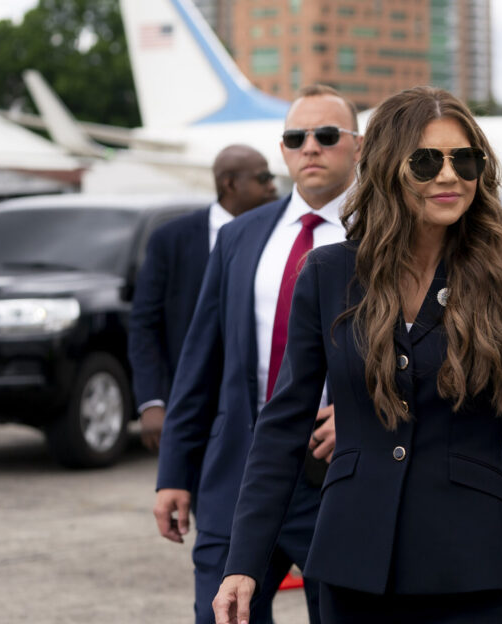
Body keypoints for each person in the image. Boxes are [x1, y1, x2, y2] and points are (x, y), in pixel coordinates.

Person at [212, 86, 502, 624]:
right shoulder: (328, 274)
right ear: (389, 166)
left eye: (465, 159)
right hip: (352, 568)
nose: (448, 174)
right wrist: (242, 564)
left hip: (476, 574)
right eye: (426, 160)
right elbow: (281, 428)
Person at [154, 84, 361, 623]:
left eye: (327, 135)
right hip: (237, 479)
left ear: (358, 147)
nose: (310, 147)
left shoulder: (389, 236)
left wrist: (366, 414)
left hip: (339, 479)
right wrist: (174, 471)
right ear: (284, 149)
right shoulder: (242, 237)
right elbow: (200, 362)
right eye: (296, 137)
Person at [129, 145, 277, 451]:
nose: (272, 186)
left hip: (263, 404)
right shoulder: (170, 239)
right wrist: (152, 401)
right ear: (230, 183)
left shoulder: (281, 235)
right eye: (263, 178)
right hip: (192, 405)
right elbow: (144, 324)